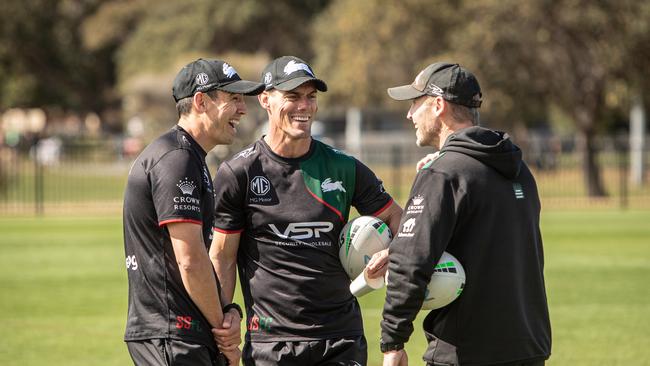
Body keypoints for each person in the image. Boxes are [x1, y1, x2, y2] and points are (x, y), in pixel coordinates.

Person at [210, 55, 403, 365]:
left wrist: (393, 250)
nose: (305, 106)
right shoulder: (239, 173)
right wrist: (223, 322)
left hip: (341, 338)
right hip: (272, 343)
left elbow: (398, 217)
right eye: (293, 96)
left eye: (311, 97)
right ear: (265, 100)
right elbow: (222, 256)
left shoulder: (343, 167)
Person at [380, 62, 552, 366]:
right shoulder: (518, 169)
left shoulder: (443, 173)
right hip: (528, 348)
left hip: (467, 352)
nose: (409, 115)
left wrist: (392, 341)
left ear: (437, 105)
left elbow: (410, 261)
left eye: (414, 104)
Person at [123, 58, 265, 365]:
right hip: (174, 334)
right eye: (234, 99)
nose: (243, 109)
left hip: (179, 334)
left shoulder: (187, 156)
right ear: (201, 101)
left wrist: (228, 312)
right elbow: (190, 260)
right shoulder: (177, 159)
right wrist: (223, 332)